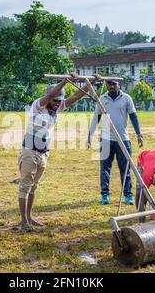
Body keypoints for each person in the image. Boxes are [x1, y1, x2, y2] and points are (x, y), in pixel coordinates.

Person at [19, 73, 100, 232]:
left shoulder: (58, 108)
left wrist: (91, 82)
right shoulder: (38, 105)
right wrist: (65, 81)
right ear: (49, 99)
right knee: (25, 187)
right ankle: (23, 221)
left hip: (43, 153)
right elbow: (50, 94)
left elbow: (77, 95)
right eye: (55, 100)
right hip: (30, 151)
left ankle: (29, 217)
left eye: (59, 101)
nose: (57, 103)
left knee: (34, 186)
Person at [87, 79, 143, 205]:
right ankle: (105, 195)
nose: (111, 86)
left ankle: (128, 195)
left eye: (114, 84)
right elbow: (96, 117)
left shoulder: (126, 98)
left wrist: (139, 134)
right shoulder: (102, 98)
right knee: (105, 168)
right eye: (109, 84)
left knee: (126, 168)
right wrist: (89, 135)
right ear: (106, 85)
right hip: (106, 139)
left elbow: (133, 116)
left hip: (123, 139)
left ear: (119, 84)